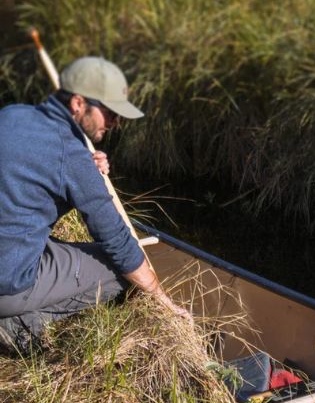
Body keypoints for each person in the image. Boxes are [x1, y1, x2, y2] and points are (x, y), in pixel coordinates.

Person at [0, 56, 189, 354]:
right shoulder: (71, 156)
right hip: (6, 284)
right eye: (110, 113)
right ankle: (17, 324)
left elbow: (30, 174)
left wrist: (81, 171)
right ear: (78, 103)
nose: (115, 123)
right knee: (123, 273)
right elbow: (117, 241)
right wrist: (162, 298)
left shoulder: (11, 115)